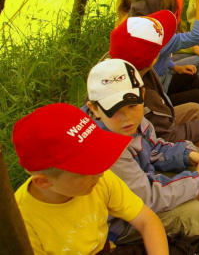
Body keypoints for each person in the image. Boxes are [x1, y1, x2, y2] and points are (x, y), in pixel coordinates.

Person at [86, 58, 199, 244]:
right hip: (120, 224)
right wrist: (198, 178)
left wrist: (188, 155)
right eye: (114, 109)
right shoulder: (107, 149)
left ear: (142, 95)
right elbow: (147, 198)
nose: (127, 118)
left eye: (132, 105)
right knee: (194, 213)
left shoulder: (134, 122)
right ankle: (195, 239)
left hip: (140, 190)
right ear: (94, 109)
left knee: (191, 173)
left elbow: (155, 147)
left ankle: (186, 236)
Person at [12, 103, 168, 255]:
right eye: (84, 171)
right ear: (43, 182)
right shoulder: (22, 223)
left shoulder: (99, 177)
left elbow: (147, 221)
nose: (100, 173)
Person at [109, 10, 199, 144]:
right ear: (154, 59)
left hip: (160, 119)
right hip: (161, 147)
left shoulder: (127, 72)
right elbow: (163, 138)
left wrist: (174, 67)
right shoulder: (148, 98)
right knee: (196, 106)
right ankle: (193, 149)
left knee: (193, 93)